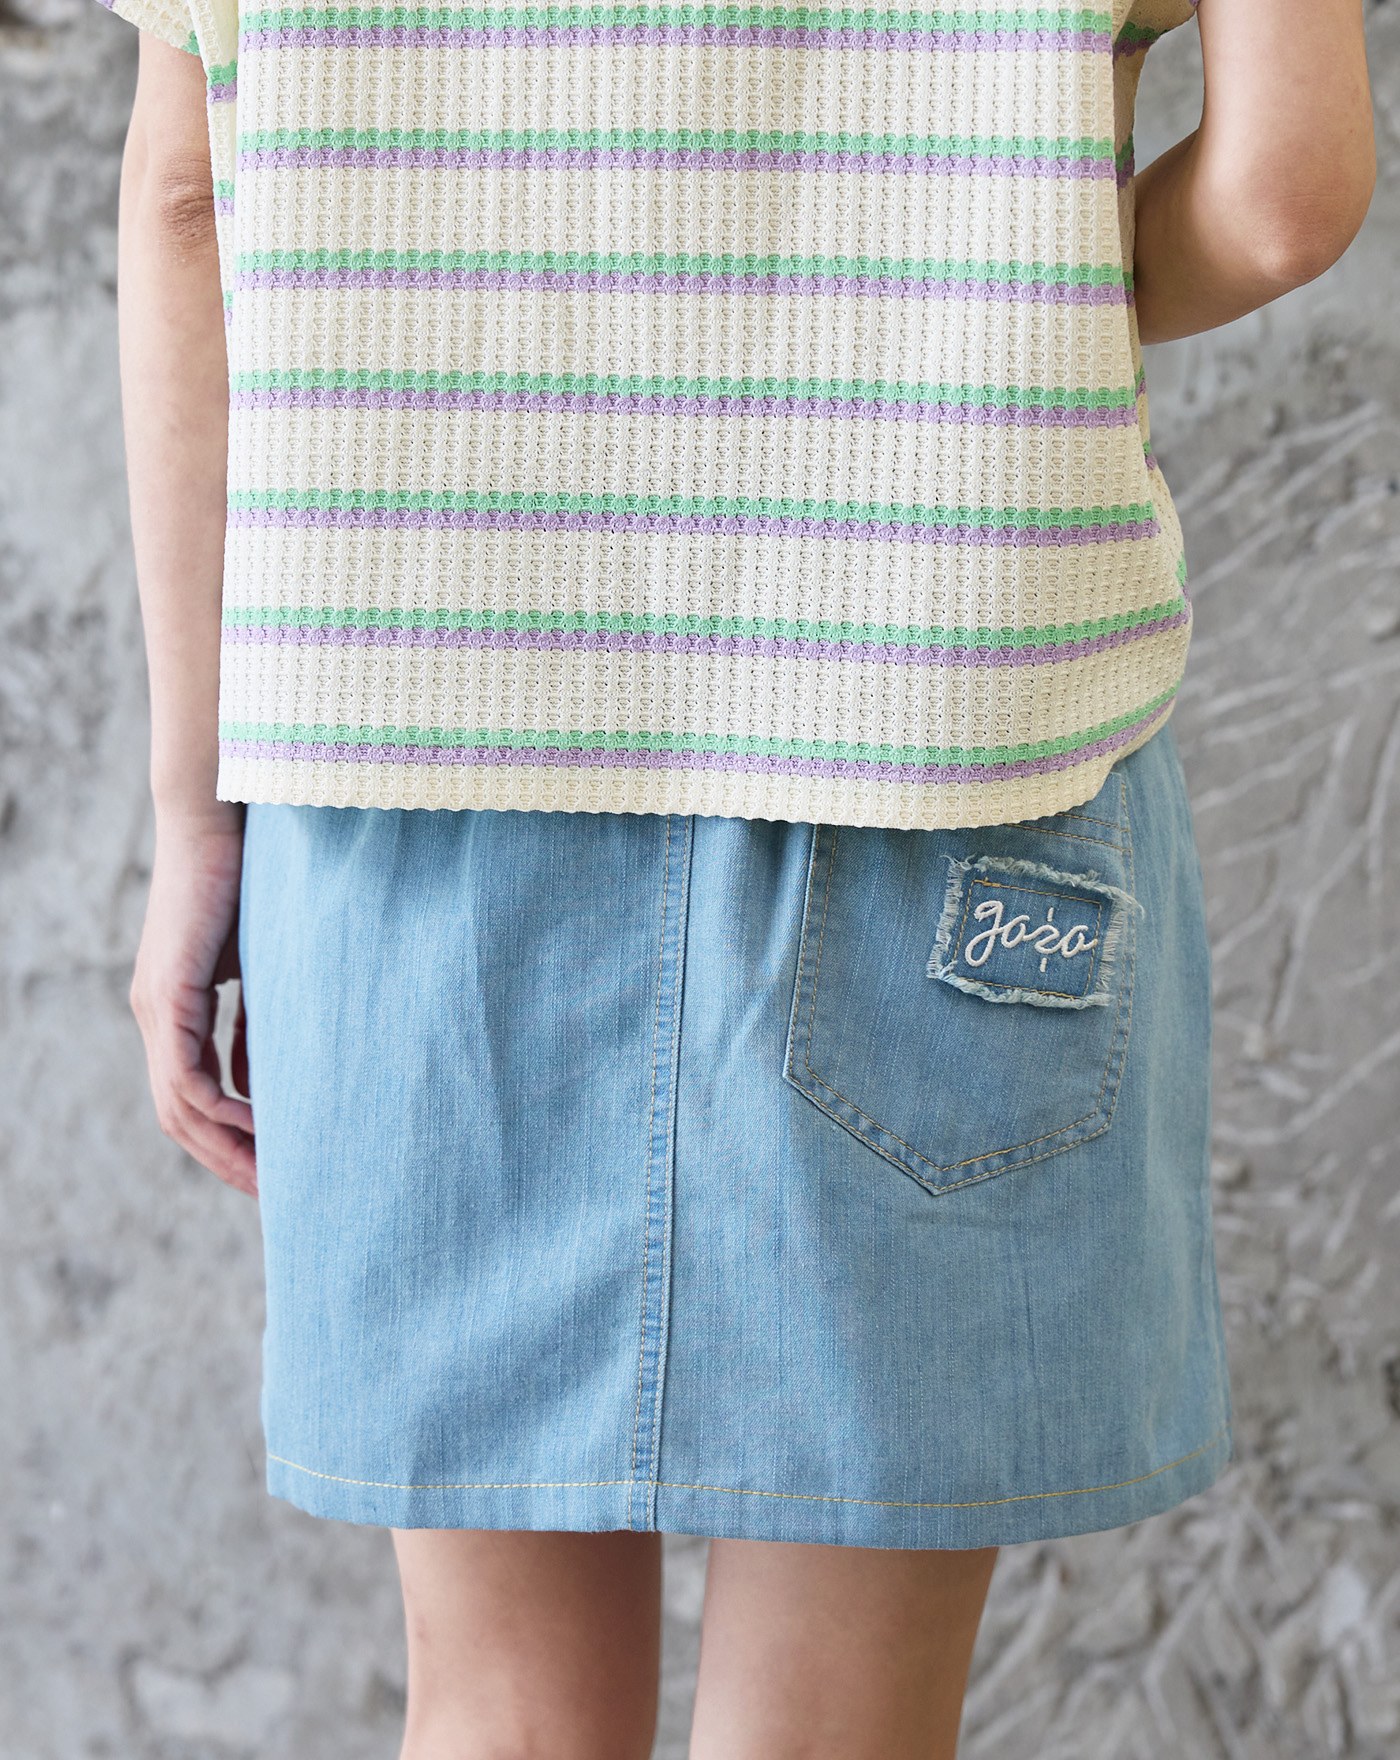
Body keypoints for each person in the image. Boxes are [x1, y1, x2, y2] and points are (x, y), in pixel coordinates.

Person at [98, 0, 1374, 1750]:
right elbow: (1289, 193)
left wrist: (195, 818)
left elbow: (187, 201)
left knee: (500, 1713)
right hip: (937, 752)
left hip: (410, 779)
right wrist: (1007, 280)